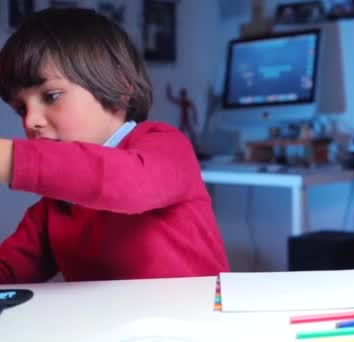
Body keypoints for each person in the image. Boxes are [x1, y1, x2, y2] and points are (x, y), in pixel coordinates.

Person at [0, 8, 230, 283]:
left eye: (51, 96)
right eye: (20, 110)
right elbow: (9, 272)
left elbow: (130, 184)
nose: (31, 121)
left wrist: (12, 159)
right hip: (112, 326)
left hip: (198, 321)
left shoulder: (164, 144)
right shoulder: (53, 210)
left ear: (121, 88)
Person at [166, 84, 198, 150]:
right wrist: (168, 90)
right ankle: (180, 145)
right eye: (182, 95)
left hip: (186, 120)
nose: (182, 96)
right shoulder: (182, 102)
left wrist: (195, 118)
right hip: (183, 120)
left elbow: (194, 110)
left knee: (190, 132)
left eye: (183, 95)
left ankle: (194, 145)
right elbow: (171, 98)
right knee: (182, 132)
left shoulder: (187, 102)